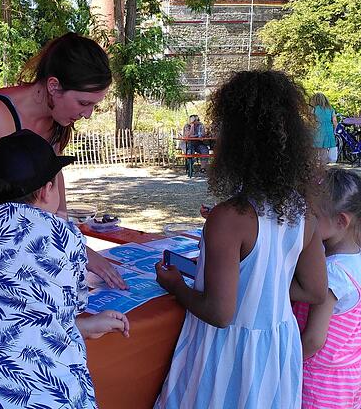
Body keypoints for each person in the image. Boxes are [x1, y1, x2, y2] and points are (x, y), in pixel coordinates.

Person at [154, 70, 327, 408]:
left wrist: (176, 285)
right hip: (275, 352)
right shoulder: (301, 212)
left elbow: (220, 313)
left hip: (229, 355)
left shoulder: (229, 218)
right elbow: (315, 289)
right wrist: (259, 286)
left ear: (234, 141)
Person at [0, 32, 127, 289]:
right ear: (53, 86)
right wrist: (75, 249)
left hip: (15, 221)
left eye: (94, 105)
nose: (87, 114)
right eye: (83, 102)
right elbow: (8, 203)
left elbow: (53, 171)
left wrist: (65, 229)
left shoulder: (57, 118)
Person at [0, 130, 130, 409]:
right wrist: (88, 324)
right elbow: (66, 310)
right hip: (52, 394)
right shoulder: (65, 235)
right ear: (47, 189)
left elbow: (14, 312)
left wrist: (87, 327)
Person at [293, 168, 361, 408]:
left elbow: (314, 339)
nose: (303, 220)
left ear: (341, 221)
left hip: (318, 382)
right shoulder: (355, 260)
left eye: (312, 215)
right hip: (347, 378)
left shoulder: (333, 273)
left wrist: (282, 365)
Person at [310, 92, 338, 163]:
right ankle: (323, 169)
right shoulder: (331, 109)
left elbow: (311, 121)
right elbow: (335, 122)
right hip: (328, 131)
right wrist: (334, 131)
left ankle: (315, 169)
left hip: (317, 130)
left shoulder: (314, 109)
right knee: (324, 151)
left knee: (315, 152)